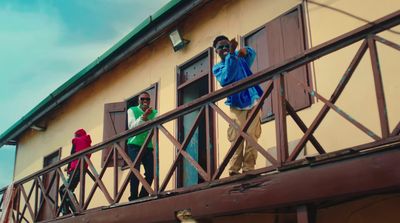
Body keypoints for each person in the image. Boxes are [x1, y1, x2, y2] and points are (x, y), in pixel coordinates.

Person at [212, 35, 263, 176]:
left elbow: (251, 54)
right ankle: (234, 170)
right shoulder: (218, 67)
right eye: (220, 47)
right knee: (236, 138)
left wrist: (245, 50)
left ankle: (249, 169)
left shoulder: (239, 58)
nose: (224, 49)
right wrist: (232, 55)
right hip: (236, 105)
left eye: (226, 46)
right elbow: (227, 78)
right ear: (216, 51)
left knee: (252, 136)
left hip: (253, 100)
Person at [127, 91, 158, 201]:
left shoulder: (154, 112)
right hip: (134, 144)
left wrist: (148, 115)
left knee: (151, 173)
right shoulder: (132, 110)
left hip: (148, 146)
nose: (145, 101)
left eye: (147, 99)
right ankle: (133, 197)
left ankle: (143, 196)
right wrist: (143, 116)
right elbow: (132, 127)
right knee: (135, 171)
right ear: (139, 100)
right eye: (142, 99)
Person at [60, 128, 92, 215]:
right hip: (82, 169)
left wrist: (69, 167)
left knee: (64, 189)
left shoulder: (76, 141)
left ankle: (70, 211)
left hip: (75, 169)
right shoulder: (88, 143)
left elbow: (72, 155)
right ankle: (72, 210)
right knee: (67, 189)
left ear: (77, 135)